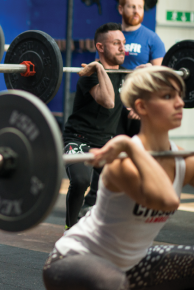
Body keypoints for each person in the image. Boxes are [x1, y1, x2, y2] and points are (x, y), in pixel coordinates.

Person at [43, 66, 194, 290]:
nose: (180, 103)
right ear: (141, 106)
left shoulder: (183, 159)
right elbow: (167, 201)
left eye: (179, 96)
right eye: (167, 97)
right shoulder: (122, 164)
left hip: (132, 266)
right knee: (112, 283)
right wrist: (128, 146)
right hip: (74, 260)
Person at [83, 0, 166, 215]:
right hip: (113, 107)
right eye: (131, 6)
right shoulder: (110, 36)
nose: (137, 11)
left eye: (139, 7)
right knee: (107, 152)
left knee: (139, 154)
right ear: (121, 9)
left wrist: (143, 105)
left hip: (138, 108)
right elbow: (98, 69)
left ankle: (137, 202)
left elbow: (159, 80)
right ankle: (92, 202)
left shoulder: (152, 39)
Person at [63, 23, 127, 229]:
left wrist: (149, 72)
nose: (122, 48)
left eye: (123, 43)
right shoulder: (89, 75)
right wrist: (99, 67)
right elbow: (108, 102)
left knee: (122, 183)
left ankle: (92, 212)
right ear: (100, 47)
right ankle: (70, 229)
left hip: (104, 143)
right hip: (78, 139)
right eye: (116, 43)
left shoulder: (127, 74)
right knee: (81, 180)